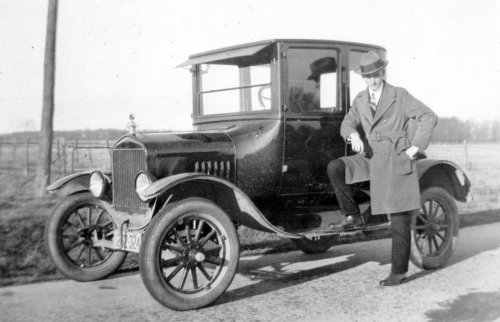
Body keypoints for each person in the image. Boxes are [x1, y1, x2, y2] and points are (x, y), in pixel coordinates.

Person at [327, 51, 437, 286]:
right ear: (363, 78)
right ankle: (353, 216)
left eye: (376, 74)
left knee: (398, 218)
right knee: (336, 167)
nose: (373, 80)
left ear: (383, 73)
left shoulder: (399, 96)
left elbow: (428, 116)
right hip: (371, 158)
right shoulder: (360, 100)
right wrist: (353, 134)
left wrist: (415, 147)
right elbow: (347, 123)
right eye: (368, 76)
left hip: (396, 159)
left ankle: (398, 272)